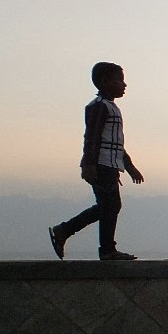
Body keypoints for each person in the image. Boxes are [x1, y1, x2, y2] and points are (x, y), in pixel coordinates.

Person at [48, 62, 144, 261]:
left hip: (111, 165)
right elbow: (92, 137)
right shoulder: (98, 106)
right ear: (105, 81)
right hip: (101, 165)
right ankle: (105, 248)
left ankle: (66, 231)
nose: (124, 85)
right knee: (110, 206)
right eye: (120, 80)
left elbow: (117, 143)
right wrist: (89, 165)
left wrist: (129, 167)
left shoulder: (112, 107)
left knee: (109, 206)